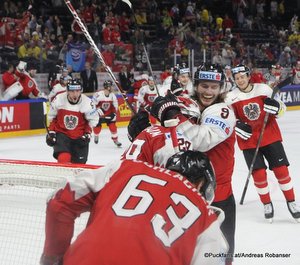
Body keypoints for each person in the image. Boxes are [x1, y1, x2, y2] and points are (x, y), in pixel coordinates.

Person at [40, 151, 227, 265]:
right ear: (202, 184)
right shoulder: (207, 218)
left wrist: (53, 258)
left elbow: (60, 202)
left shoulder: (124, 168)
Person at [150, 63, 237, 265]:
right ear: (196, 85)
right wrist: (149, 121)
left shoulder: (223, 111)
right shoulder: (187, 105)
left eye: (214, 87)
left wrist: (174, 117)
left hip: (218, 198)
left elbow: (202, 140)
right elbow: (167, 140)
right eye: (204, 86)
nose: (208, 91)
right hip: (183, 195)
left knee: (220, 258)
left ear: (221, 87)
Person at [226, 64, 300, 222]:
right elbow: (230, 120)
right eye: (237, 78)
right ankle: (267, 204)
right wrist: (237, 125)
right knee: (259, 175)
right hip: (249, 141)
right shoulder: (230, 97)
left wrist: (277, 108)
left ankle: (291, 202)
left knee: (281, 171)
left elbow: (282, 109)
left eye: (242, 76)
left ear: (248, 76)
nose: (240, 80)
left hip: (270, 136)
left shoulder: (264, 89)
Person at [124, 95, 201, 167]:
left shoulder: (151, 134)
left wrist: (138, 136)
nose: (192, 123)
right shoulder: (183, 141)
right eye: (191, 119)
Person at [46, 79, 99, 164]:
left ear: (80, 90)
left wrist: (87, 133)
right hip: (62, 134)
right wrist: (51, 132)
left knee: (79, 166)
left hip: (79, 137)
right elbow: (52, 117)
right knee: (64, 158)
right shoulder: (59, 99)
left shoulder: (87, 103)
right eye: (72, 91)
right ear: (67, 91)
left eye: (77, 91)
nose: (75, 94)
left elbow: (92, 121)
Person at [92, 80, 122, 147]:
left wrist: (114, 113)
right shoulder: (98, 94)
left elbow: (115, 105)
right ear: (107, 87)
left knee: (113, 127)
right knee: (97, 128)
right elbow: (92, 104)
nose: (112, 88)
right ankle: (96, 135)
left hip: (109, 114)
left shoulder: (112, 95)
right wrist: (96, 110)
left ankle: (115, 140)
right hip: (99, 115)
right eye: (110, 86)